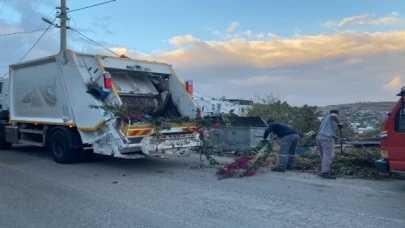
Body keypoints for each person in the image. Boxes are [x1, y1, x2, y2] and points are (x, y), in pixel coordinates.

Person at [316, 110, 343, 179]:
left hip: (320, 137)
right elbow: (333, 115)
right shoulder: (333, 115)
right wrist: (339, 123)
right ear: (337, 113)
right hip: (326, 138)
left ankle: (325, 170)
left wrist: (338, 138)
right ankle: (325, 172)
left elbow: (327, 131)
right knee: (328, 155)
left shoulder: (325, 119)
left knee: (324, 155)